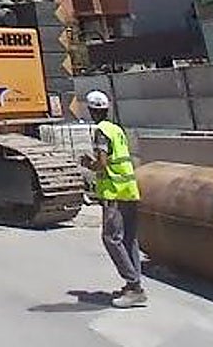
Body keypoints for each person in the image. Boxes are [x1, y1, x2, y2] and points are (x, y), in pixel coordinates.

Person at [80, 90, 147, 309]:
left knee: (111, 238)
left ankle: (134, 285)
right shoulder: (117, 129)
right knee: (129, 239)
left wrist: (87, 164)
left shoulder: (101, 131)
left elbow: (102, 163)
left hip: (114, 193)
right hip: (129, 190)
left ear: (91, 110)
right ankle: (133, 284)